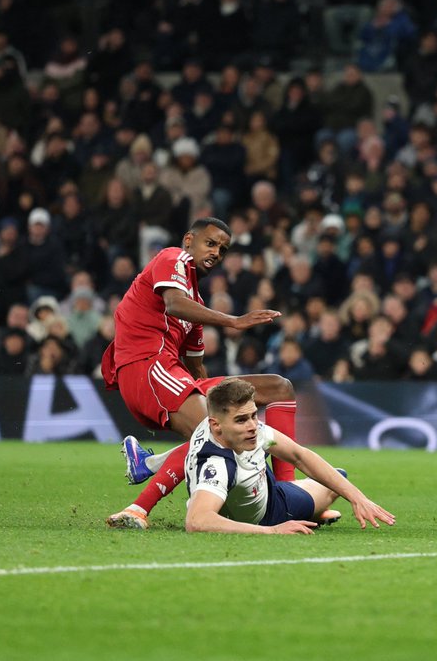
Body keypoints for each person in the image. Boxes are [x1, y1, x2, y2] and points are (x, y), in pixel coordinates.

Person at [102, 218, 300, 530]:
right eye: (211, 243)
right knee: (215, 431)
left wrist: (220, 399)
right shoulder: (171, 258)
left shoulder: (197, 303)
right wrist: (234, 321)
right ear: (189, 240)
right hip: (146, 369)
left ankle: (289, 491)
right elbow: (173, 304)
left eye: (222, 250)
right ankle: (138, 508)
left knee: (278, 387)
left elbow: (196, 367)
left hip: (175, 374)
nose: (216, 253)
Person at [183, 378, 394, 534]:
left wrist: (358, 498)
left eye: (254, 415)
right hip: (272, 512)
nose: (252, 426)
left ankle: (314, 507)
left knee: (339, 478)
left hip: (265, 486)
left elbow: (299, 456)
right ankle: (312, 512)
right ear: (215, 425)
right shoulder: (217, 465)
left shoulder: (252, 431)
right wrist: (273, 530)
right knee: (335, 483)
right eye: (241, 420)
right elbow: (196, 521)